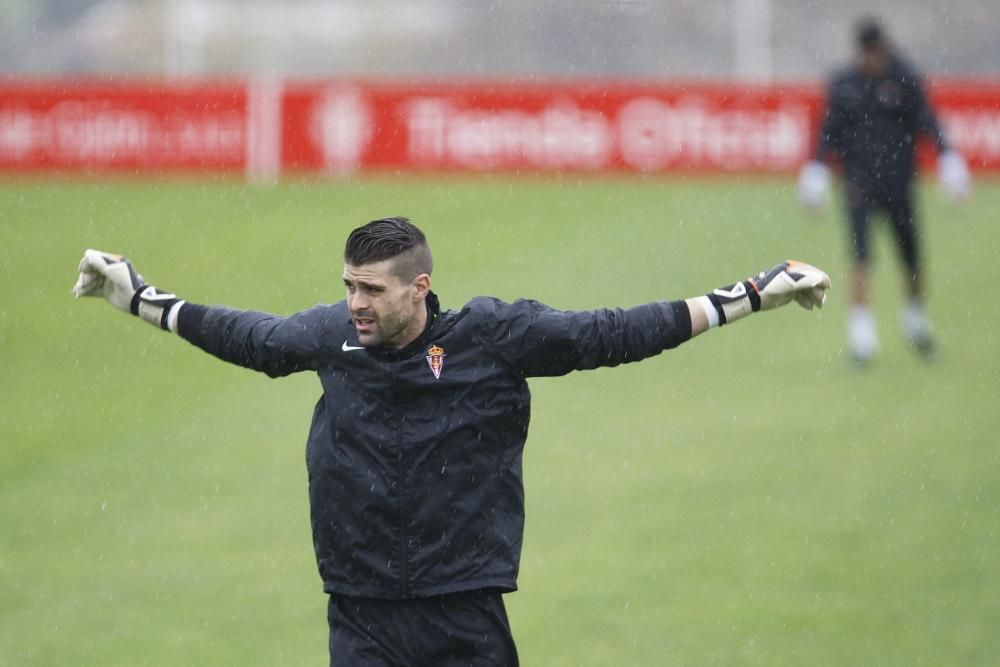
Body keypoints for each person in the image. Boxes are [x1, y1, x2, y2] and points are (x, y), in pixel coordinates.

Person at [72, 217, 830, 666]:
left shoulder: (494, 338)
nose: (354, 303)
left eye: (371, 289)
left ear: (419, 287)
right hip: (361, 610)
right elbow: (252, 338)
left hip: (462, 611)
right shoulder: (333, 337)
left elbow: (614, 334)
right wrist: (136, 295)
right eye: (348, 285)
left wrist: (752, 295)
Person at [798, 17, 970, 365]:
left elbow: (926, 120)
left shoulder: (904, 77)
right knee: (861, 257)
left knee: (910, 258)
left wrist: (949, 160)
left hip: (899, 182)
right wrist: (815, 170)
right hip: (858, 183)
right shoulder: (844, 83)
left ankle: (916, 324)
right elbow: (828, 130)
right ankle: (862, 339)